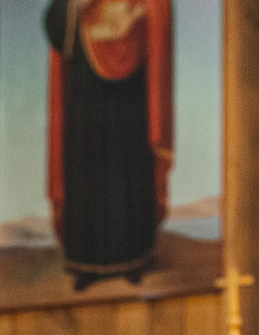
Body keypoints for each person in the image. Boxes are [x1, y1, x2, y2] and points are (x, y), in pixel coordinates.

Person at [43, 0, 172, 289]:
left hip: (129, 89)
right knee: (86, 167)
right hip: (84, 85)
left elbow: (157, 7)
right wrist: (75, 5)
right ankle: (86, 262)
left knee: (128, 167)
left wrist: (138, 13)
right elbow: (55, 18)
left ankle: (133, 258)